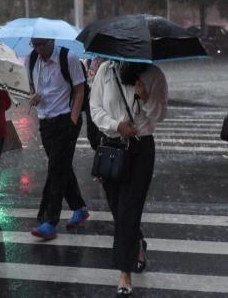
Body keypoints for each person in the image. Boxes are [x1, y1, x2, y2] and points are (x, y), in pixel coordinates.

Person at [90, 60, 168, 298]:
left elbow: (160, 115)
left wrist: (146, 97)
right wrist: (117, 125)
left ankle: (125, 273)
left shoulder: (154, 74)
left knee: (129, 210)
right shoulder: (106, 70)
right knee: (117, 208)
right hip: (112, 148)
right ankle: (138, 243)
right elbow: (95, 109)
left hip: (140, 149)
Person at [27, 38, 89, 240]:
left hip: (65, 119)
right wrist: (33, 97)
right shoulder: (32, 59)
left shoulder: (68, 57)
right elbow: (31, 88)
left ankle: (49, 221)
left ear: (51, 40)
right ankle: (79, 207)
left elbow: (80, 91)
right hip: (46, 122)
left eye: (42, 44)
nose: (39, 49)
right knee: (61, 167)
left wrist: (72, 121)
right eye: (35, 44)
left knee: (55, 168)